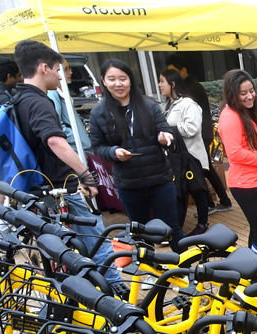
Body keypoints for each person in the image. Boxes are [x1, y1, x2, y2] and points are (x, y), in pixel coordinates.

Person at [11, 40, 122, 289]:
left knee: (59, 249)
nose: (60, 76)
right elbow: (55, 141)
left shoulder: (18, 98)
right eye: (57, 70)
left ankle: (78, 292)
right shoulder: (39, 101)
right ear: (44, 68)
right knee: (98, 239)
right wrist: (85, 174)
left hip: (38, 187)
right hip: (61, 187)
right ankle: (117, 295)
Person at [89, 58, 184, 249]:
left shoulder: (148, 106)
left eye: (122, 78)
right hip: (128, 183)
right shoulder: (99, 113)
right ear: (104, 81)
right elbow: (97, 146)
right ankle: (150, 275)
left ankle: (186, 270)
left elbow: (166, 130)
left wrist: (165, 137)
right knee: (140, 233)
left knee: (173, 228)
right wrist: (114, 152)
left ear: (130, 80)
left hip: (160, 179)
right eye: (112, 79)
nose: (118, 84)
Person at [217, 69, 257, 255]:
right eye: (243, 93)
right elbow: (236, 154)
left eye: (251, 90)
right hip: (246, 184)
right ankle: (256, 274)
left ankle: (254, 271)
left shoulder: (246, 112)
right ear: (232, 94)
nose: (249, 96)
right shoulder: (230, 117)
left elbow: (254, 140)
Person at [165, 52, 233, 213]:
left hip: (200, 135)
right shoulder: (187, 87)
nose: (170, 78)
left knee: (201, 169)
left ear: (183, 71)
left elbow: (192, 121)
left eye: (173, 72)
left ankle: (212, 203)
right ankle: (219, 201)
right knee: (204, 168)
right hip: (199, 135)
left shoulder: (191, 89)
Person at [159, 68, 210, 236]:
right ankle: (176, 229)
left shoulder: (188, 104)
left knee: (197, 190)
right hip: (176, 159)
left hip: (191, 157)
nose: (159, 85)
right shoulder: (166, 105)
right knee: (181, 192)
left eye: (162, 81)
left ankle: (202, 224)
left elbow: (192, 128)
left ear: (172, 84)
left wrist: (168, 131)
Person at [48, 57, 92, 154]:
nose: (71, 72)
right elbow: (58, 125)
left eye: (70, 68)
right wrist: (76, 136)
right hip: (75, 151)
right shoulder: (52, 93)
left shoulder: (61, 91)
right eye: (65, 69)